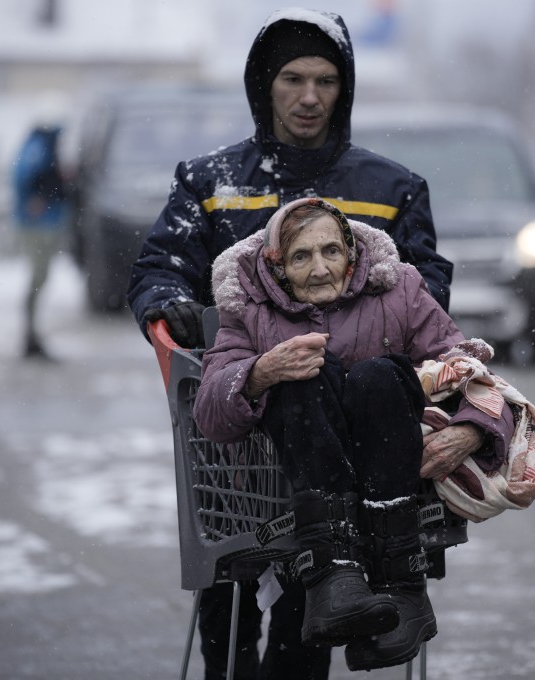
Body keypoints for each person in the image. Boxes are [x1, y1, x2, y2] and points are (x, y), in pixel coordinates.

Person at [126, 9, 455, 680]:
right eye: (293, 79)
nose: (309, 98)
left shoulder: (390, 191)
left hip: (350, 439)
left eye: (326, 81)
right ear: (263, 86)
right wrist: (170, 307)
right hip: (241, 451)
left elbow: (428, 292)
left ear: (346, 89)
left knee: (316, 600)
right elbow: (158, 266)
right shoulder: (210, 183)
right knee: (229, 595)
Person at [192, 197, 516, 671]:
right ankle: (333, 573)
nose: (320, 269)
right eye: (301, 256)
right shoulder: (249, 307)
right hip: (284, 497)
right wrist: (262, 371)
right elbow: (209, 411)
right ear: (277, 267)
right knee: (302, 378)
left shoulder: (399, 290)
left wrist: (471, 429)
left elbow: (468, 370)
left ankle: (402, 585)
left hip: (391, 483)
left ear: (350, 252)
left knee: (379, 377)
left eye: (331, 252)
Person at [11, 122, 71, 360]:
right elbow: (27, 177)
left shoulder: (40, 146)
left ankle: (31, 333)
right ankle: (30, 334)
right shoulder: (40, 148)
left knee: (40, 278)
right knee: (38, 277)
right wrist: (36, 198)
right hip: (38, 225)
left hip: (45, 222)